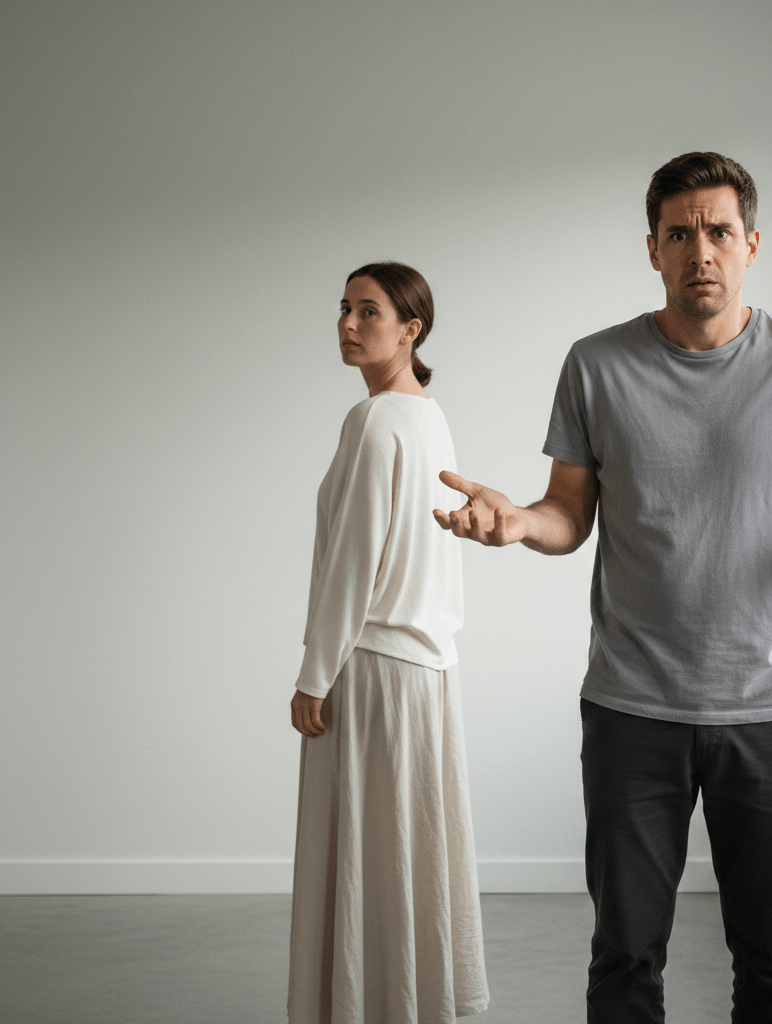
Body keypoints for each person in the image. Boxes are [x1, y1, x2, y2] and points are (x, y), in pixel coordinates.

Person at [432, 153, 772, 1024]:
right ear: (652, 249)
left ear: (750, 243)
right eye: (679, 234)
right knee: (625, 960)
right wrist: (519, 523)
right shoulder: (596, 364)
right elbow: (568, 513)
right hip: (632, 709)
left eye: (718, 231)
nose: (700, 250)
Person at [287, 262, 489, 1024]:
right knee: (408, 854)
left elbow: (354, 560)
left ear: (412, 330)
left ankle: (362, 1007)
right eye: (343, 309)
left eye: (368, 312)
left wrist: (314, 672)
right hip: (428, 670)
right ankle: (405, 1002)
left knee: (366, 853)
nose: (347, 324)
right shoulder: (427, 416)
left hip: (370, 668)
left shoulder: (373, 422)